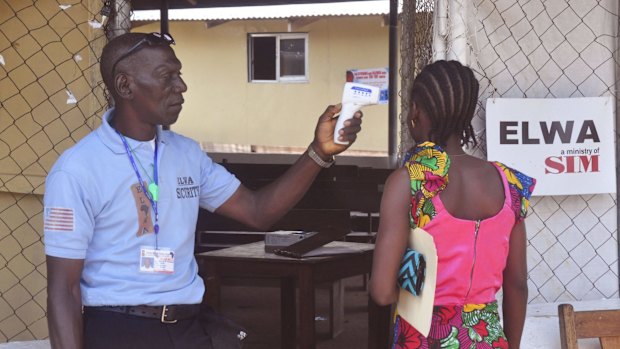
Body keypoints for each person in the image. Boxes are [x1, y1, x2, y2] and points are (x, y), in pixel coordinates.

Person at [44, 32, 364, 349]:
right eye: (166, 76)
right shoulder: (78, 169)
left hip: (188, 328)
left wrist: (319, 152)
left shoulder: (186, 154)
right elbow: (64, 290)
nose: (181, 86)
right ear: (125, 85)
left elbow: (257, 211)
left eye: (179, 74)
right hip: (119, 331)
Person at [369, 60, 535, 348]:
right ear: (467, 113)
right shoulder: (509, 184)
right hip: (486, 336)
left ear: (416, 111)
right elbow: (517, 284)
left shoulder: (408, 182)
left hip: (423, 336)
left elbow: (382, 292)